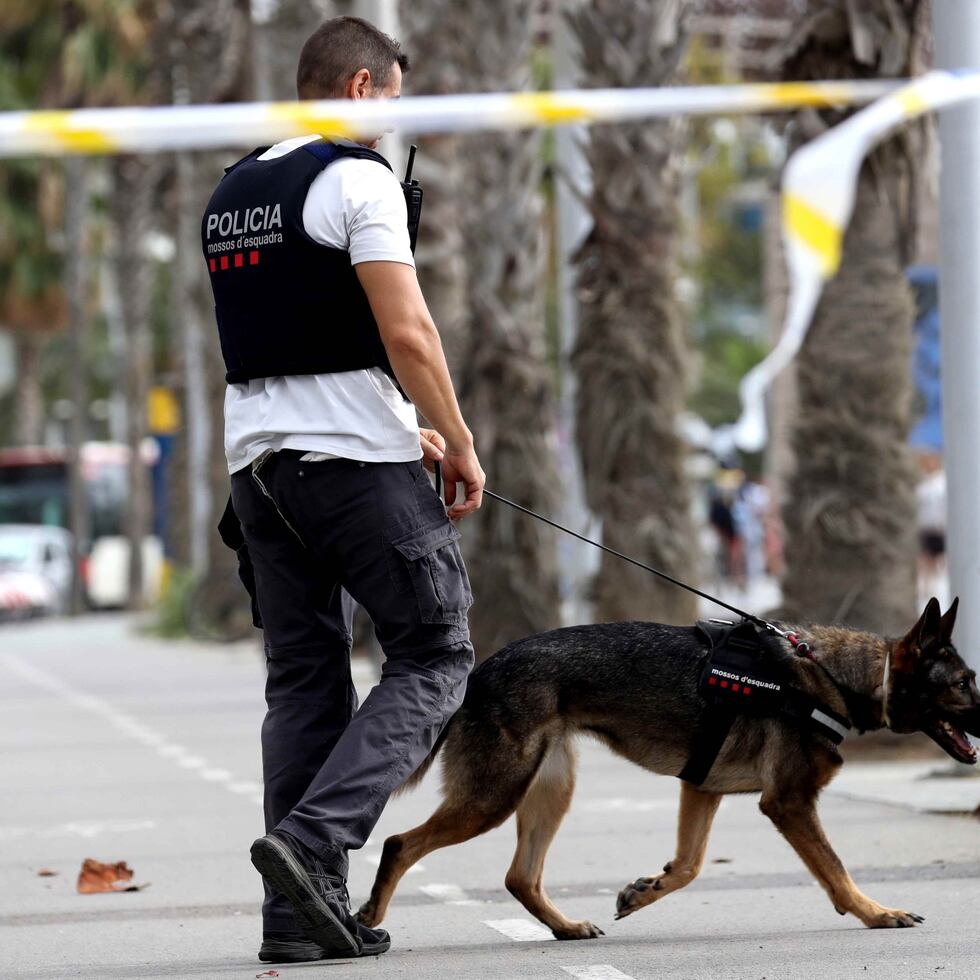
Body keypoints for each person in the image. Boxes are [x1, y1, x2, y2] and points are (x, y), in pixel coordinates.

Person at [201, 16, 484, 965]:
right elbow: (407, 335)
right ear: (361, 88)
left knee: (306, 682)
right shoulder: (357, 178)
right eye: (395, 97)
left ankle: (296, 919)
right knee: (437, 653)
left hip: (259, 471)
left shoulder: (232, 191)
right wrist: (460, 442)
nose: (396, 117)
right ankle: (317, 840)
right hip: (351, 472)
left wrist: (408, 427)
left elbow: (291, 344)